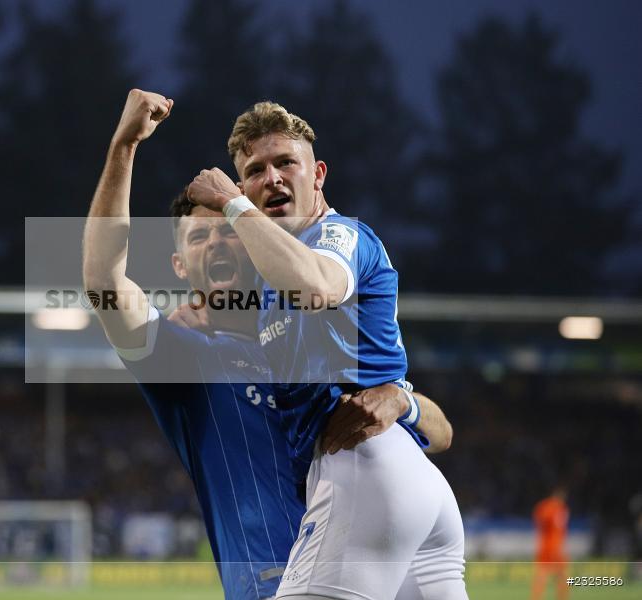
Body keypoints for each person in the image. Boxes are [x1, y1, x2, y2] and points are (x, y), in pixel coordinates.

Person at [83, 89, 454, 600]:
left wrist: (402, 399)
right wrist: (124, 147)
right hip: (276, 580)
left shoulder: (300, 327)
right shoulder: (182, 355)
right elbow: (103, 284)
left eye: (229, 233)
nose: (216, 243)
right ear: (179, 267)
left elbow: (441, 431)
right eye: (197, 239)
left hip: (365, 547)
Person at [188, 101, 467, 599]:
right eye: (255, 171)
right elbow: (439, 430)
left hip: (361, 470)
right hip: (408, 483)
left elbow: (319, 285)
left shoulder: (338, 234)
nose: (271, 178)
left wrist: (233, 204)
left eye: (284, 163)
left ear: (317, 175)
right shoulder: (269, 290)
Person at [531, 485, 570, 600]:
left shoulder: (544, 506)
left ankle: (536, 597)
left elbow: (538, 522)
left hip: (546, 546)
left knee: (543, 573)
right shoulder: (559, 508)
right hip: (554, 547)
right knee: (560, 575)